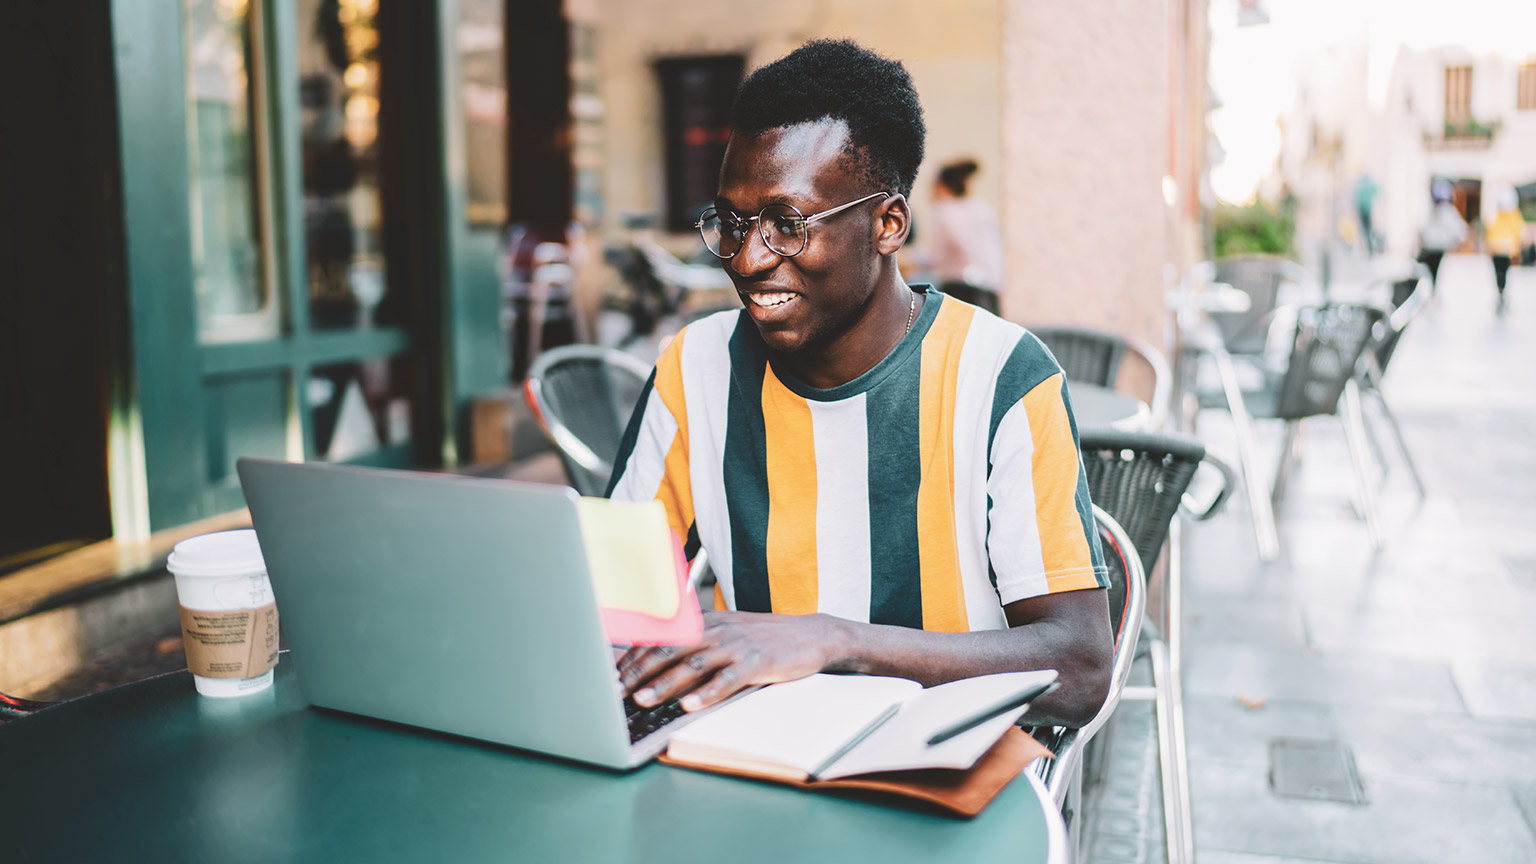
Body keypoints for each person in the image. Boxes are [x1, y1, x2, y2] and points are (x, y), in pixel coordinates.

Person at [608, 39, 1113, 730]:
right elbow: (618, 607)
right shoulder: (693, 370)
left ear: (888, 224)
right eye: (732, 222)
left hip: (941, 772)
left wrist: (836, 642)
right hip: (752, 752)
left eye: (788, 224)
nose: (750, 259)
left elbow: (1080, 667)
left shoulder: (1002, 376)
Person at [929, 158, 1005, 313]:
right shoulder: (983, 209)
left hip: (958, 290)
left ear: (941, 186)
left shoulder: (943, 212)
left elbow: (938, 257)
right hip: (989, 289)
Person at [1417, 179, 1467, 292]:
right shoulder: (1441, 210)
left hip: (1432, 246)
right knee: (1431, 272)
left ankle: (1429, 292)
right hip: (1435, 246)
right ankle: (1430, 291)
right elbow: (1460, 230)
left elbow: (1459, 230)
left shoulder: (1441, 210)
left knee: (1429, 271)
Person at [1487, 186, 1526, 311]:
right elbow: (1519, 232)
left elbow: (1491, 229)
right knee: (1504, 272)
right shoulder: (1514, 215)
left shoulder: (1498, 215)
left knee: (1498, 271)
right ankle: (1501, 291)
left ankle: (1500, 290)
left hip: (1497, 249)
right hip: (1506, 250)